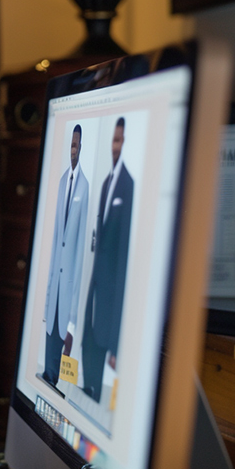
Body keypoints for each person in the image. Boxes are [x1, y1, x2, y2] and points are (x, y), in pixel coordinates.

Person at [81, 117, 133, 403]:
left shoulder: (130, 187)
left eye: (121, 140)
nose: (116, 146)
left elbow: (124, 261)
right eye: (114, 140)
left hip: (109, 312)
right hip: (93, 305)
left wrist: (116, 341)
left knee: (99, 402)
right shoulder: (105, 184)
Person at [41, 124, 89, 390]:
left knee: (64, 342)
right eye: (70, 144)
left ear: (81, 148)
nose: (73, 149)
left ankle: (58, 383)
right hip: (55, 283)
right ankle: (49, 380)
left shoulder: (85, 186)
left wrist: (73, 312)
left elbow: (80, 247)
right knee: (50, 340)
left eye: (76, 145)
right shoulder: (61, 182)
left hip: (69, 284)